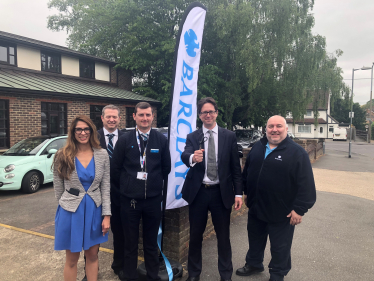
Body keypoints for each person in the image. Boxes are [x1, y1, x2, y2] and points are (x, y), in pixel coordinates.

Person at [236, 115, 316, 281]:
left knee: (280, 247)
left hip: (282, 212)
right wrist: (245, 192)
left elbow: (306, 185)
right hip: (256, 206)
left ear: (286, 129)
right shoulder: (258, 147)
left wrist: (299, 210)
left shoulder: (297, 153)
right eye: (270, 126)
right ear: (266, 129)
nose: (274, 130)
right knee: (255, 239)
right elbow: (247, 172)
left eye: (279, 126)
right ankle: (254, 263)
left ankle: (277, 273)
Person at [181, 97, 243, 281]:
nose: (207, 115)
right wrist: (193, 157)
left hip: (220, 193)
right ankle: (194, 274)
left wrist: (238, 193)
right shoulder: (193, 136)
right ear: (200, 116)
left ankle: (226, 275)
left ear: (216, 113)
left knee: (223, 237)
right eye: (204, 112)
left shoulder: (229, 136)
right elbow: (185, 155)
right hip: (199, 192)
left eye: (211, 111)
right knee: (195, 237)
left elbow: (235, 168)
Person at [111, 102, 171, 281]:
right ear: (134, 116)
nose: (145, 118)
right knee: (130, 244)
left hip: (153, 200)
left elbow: (166, 168)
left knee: (151, 244)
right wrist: (128, 186)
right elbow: (115, 169)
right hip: (130, 202)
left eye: (148, 115)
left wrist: (152, 182)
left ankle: (153, 276)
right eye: (141, 115)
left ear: (152, 117)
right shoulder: (124, 140)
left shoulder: (161, 140)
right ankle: (130, 277)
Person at [53, 115, 111, 281]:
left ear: (92, 131)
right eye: (79, 129)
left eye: (86, 129)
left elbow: (105, 187)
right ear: (73, 132)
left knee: (92, 255)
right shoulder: (62, 155)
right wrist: (67, 207)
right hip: (71, 212)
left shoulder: (102, 155)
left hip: (94, 210)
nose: (83, 132)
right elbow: (58, 189)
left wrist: (107, 216)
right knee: (72, 259)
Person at [82, 105, 125, 281]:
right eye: (108, 117)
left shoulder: (126, 138)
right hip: (95, 196)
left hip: (120, 194)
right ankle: (90, 272)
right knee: (93, 234)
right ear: (102, 118)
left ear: (119, 119)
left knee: (120, 233)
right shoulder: (92, 138)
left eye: (115, 117)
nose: (112, 120)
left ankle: (119, 266)